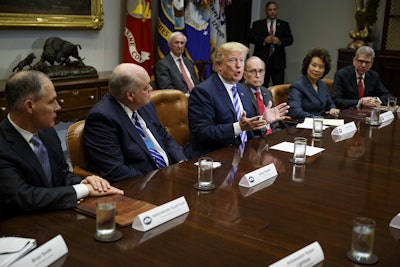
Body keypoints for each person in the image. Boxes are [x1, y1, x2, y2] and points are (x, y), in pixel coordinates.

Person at [0, 70, 123, 220]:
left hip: (56, 215)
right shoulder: (3, 144)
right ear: (29, 106)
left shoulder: (47, 132)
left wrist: (85, 181)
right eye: (52, 101)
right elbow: (24, 197)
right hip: (20, 225)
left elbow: (62, 174)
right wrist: (83, 189)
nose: (58, 107)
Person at [83, 63, 187, 182]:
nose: (151, 89)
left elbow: (163, 135)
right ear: (130, 95)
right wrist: (157, 180)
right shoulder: (102, 119)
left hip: (169, 175)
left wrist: (182, 162)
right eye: (145, 87)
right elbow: (115, 170)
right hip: (142, 184)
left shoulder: (144, 105)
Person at [188, 42, 289, 158]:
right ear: (219, 65)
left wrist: (263, 120)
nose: (239, 65)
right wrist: (239, 127)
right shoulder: (203, 92)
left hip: (246, 154)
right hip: (217, 157)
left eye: (241, 60)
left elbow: (248, 127)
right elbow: (202, 133)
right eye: (232, 60)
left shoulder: (242, 89)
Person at [248, 1, 293, 86]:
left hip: (278, 62)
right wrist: (264, 40)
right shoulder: (258, 24)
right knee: (260, 85)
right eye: (270, 10)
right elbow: (250, 38)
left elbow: (290, 39)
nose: (272, 12)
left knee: (279, 87)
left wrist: (279, 41)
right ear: (266, 11)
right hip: (262, 61)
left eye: (274, 9)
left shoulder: (284, 24)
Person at [287, 48, 340, 121]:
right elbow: (295, 112)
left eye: (321, 67)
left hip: (321, 124)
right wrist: (317, 119)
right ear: (307, 65)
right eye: (314, 65)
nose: (316, 69)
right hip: (303, 126)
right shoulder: (297, 86)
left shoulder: (322, 85)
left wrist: (332, 109)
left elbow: (329, 103)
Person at [242, 56, 280, 136]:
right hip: (255, 140)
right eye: (253, 71)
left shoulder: (266, 91)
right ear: (244, 74)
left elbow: (274, 124)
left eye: (261, 71)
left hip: (272, 137)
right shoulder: (240, 92)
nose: (258, 75)